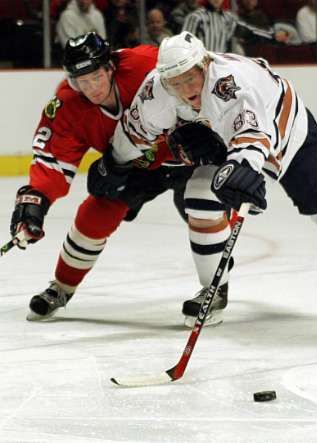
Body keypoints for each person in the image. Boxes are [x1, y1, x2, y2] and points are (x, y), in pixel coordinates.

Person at [103, 31, 317, 325]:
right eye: (175, 82)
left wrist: (242, 170)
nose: (184, 88)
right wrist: (114, 166)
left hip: (288, 133)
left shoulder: (235, 83)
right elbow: (133, 133)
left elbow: (255, 136)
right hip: (230, 143)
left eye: (190, 78)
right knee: (199, 196)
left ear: (204, 65)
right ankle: (213, 291)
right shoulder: (156, 93)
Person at [9, 32, 194, 322]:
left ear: (110, 67)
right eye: (82, 81)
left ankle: (216, 288)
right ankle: (61, 287)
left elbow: (198, 82)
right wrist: (37, 200)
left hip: (187, 156)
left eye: (96, 76)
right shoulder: (69, 105)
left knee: (203, 207)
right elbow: (54, 160)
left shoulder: (146, 63)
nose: (91, 87)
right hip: (133, 169)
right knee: (92, 216)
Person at [182, 0, 289, 53]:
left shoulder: (229, 17)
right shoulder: (196, 17)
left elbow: (250, 31)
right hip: (199, 66)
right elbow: (184, 42)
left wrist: (273, 36)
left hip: (218, 66)